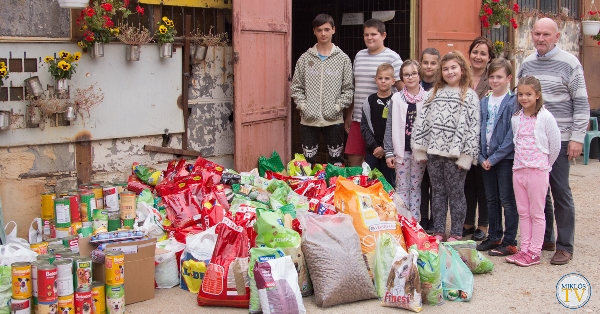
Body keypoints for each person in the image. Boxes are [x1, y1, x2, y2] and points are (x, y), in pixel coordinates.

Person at [518, 17, 590, 265]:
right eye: (536, 34)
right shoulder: (526, 63)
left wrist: (577, 138)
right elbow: (519, 99)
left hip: (559, 140)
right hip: (532, 142)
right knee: (539, 195)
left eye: (546, 35)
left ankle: (565, 245)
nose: (540, 39)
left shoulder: (570, 64)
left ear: (557, 37)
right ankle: (545, 238)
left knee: (560, 192)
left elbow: (581, 103)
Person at [412, 51, 480, 242]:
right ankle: (440, 230)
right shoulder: (434, 93)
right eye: (445, 69)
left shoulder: (469, 95)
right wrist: (420, 149)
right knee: (438, 192)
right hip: (434, 153)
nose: (449, 72)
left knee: (456, 192)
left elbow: (473, 129)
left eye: (453, 68)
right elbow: (422, 122)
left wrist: (466, 156)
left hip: (455, 156)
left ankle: (457, 232)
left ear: (462, 69)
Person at [506, 76, 561, 267]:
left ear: (537, 95)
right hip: (519, 169)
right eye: (520, 94)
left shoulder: (545, 117)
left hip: (538, 170)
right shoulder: (516, 118)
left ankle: (535, 251)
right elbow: (516, 141)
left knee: (537, 212)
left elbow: (554, 145)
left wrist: (545, 165)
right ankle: (524, 249)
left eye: (528, 94)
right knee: (523, 211)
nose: (524, 98)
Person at [291, 14, 354, 166]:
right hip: (308, 120)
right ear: (314, 31)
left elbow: (349, 89)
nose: (323, 33)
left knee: (336, 160)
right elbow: (296, 87)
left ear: (334, 30)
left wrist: (338, 107)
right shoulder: (305, 59)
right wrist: (304, 106)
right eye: (319, 30)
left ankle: (334, 188)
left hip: (334, 119)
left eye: (327, 29)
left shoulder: (343, 59)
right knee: (307, 162)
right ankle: (310, 188)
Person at [475, 58, 519, 256]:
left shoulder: (512, 102)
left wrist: (494, 158)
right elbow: (477, 129)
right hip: (485, 159)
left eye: (499, 77)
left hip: (504, 159)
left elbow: (512, 135)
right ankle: (494, 236)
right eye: (491, 76)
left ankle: (509, 240)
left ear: (508, 78)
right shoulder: (484, 101)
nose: (495, 80)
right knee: (491, 199)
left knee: (507, 200)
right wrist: (481, 156)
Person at [345, 18, 403, 167]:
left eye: (373, 34)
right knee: (354, 165)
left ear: (383, 35)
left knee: (380, 167)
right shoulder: (359, 56)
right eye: (366, 35)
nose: (369, 38)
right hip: (358, 119)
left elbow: (402, 90)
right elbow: (354, 87)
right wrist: (349, 113)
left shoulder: (393, 57)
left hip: (381, 122)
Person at [383, 60, 427, 220]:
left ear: (420, 75)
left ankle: (414, 222)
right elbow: (389, 127)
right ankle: (402, 220)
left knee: (415, 186)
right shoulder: (396, 99)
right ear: (402, 77)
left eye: (414, 73)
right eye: (406, 74)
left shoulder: (428, 98)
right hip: (401, 150)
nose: (410, 77)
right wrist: (388, 152)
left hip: (420, 152)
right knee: (401, 187)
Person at [463, 36, 494, 242]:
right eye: (475, 52)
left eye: (483, 53)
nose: (478, 56)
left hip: (484, 140)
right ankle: (467, 221)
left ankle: (483, 223)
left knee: (482, 182)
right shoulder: (462, 77)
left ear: (489, 57)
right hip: (464, 139)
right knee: (465, 182)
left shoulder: (493, 78)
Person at [360, 63, 396, 186]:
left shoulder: (397, 101)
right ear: (376, 80)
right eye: (380, 78)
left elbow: (397, 128)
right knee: (369, 182)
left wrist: (385, 149)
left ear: (393, 80)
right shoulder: (369, 101)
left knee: (388, 184)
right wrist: (375, 147)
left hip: (390, 152)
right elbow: (364, 127)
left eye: (387, 78)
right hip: (372, 151)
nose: (383, 81)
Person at [418, 48, 440, 232]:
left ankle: (436, 219)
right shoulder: (416, 85)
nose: (429, 66)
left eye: (433, 63)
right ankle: (423, 217)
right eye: (425, 62)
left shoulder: (442, 86)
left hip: (437, 144)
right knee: (421, 182)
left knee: (436, 184)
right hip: (419, 142)